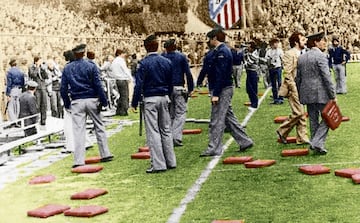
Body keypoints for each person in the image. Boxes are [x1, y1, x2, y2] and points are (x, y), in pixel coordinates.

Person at [200, 28, 253, 157]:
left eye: (210, 39)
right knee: (229, 118)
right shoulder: (220, 51)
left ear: (214, 39)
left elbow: (221, 74)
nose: (208, 41)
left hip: (222, 88)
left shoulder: (222, 52)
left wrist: (216, 93)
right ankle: (244, 141)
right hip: (223, 87)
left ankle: (214, 148)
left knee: (217, 119)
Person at [60, 43, 113, 168]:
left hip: (77, 101)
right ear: (84, 53)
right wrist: (104, 101)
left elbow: (63, 88)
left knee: (78, 131)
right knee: (99, 126)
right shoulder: (91, 66)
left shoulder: (67, 68)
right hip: (92, 99)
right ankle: (105, 153)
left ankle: (78, 160)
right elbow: (98, 85)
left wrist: (67, 104)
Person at [131, 34, 176, 173]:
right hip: (164, 96)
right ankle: (171, 161)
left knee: (153, 132)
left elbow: (139, 85)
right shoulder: (166, 61)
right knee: (166, 130)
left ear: (146, 48)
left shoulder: (143, 63)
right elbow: (170, 83)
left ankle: (158, 164)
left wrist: (134, 102)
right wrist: (168, 95)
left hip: (150, 98)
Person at [296, 32, 336, 155]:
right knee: (328, 119)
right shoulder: (321, 56)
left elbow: (298, 79)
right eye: (322, 40)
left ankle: (317, 144)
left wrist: (300, 93)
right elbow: (327, 77)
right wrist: (333, 95)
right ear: (316, 42)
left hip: (306, 93)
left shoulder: (302, 57)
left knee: (313, 120)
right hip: (321, 93)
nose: (325, 43)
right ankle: (317, 143)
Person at [277, 32, 309, 145]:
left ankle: (302, 137)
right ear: (296, 42)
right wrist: (293, 86)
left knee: (301, 113)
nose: (305, 41)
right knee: (298, 112)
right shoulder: (289, 54)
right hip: (293, 87)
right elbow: (287, 73)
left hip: (302, 86)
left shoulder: (303, 53)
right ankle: (282, 130)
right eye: (302, 39)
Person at [162, 38, 194, 147]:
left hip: (166, 89)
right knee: (181, 113)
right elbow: (188, 73)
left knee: (170, 114)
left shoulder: (162, 57)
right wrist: (190, 88)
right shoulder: (181, 57)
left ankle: (168, 136)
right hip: (178, 87)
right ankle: (175, 136)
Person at [28, 56, 49, 128]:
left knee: (44, 104)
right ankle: (36, 120)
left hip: (43, 87)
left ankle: (43, 121)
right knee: (37, 105)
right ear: (36, 61)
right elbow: (32, 75)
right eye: (40, 61)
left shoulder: (42, 68)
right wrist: (37, 67)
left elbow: (46, 77)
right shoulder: (31, 67)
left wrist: (43, 69)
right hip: (36, 88)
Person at [110, 49, 132, 116]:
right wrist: (130, 77)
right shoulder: (121, 60)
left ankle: (119, 110)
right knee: (125, 96)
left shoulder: (114, 61)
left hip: (117, 79)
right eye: (123, 53)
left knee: (121, 96)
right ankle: (124, 111)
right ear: (120, 54)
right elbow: (125, 69)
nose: (124, 55)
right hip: (123, 79)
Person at [266, 38, 284, 104]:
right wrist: (269, 63)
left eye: (277, 43)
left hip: (278, 68)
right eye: (275, 43)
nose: (276, 44)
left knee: (279, 83)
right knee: (273, 84)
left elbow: (283, 59)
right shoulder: (269, 51)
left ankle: (281, 98)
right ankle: (275, 98)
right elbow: (267, 60)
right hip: (271, 68)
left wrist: (283, 65)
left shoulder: (280, 51)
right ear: (272, 44)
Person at [243, 41, 260, 111]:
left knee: (252, 88)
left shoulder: (254, 54)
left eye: (249, 47)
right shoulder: (250, 53)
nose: (248, 48)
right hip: (249, 72)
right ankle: (253, 102)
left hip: (252, 72)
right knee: (249, 88)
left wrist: (245, 57)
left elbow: (248, 63)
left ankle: (254, 104)